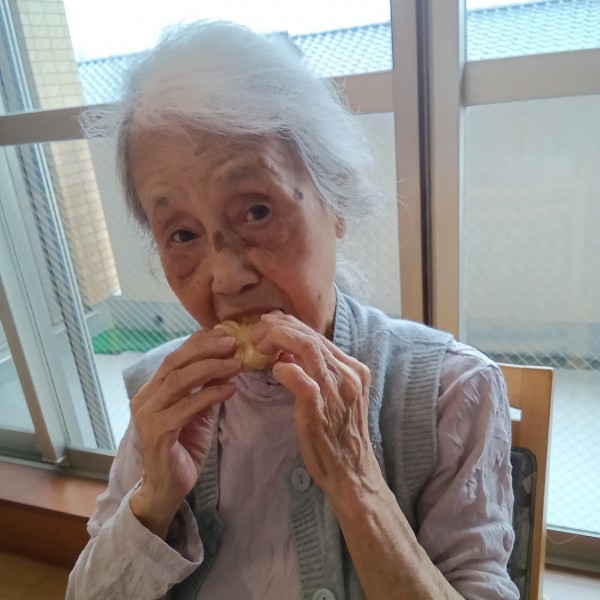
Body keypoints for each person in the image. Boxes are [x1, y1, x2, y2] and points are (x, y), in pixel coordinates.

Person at [67, 20, 519, 600]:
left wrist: (358, 485)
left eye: (257, 211)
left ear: (336, 199)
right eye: (181, 234)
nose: (226, 278)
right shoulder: (163, 395)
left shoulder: (451, 393)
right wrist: (154, 498)